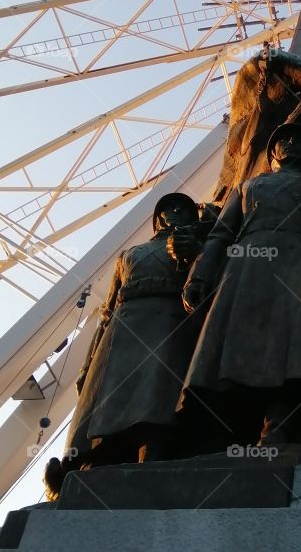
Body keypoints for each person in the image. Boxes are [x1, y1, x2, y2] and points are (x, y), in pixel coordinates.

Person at [179, 125, 301, 451]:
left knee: (292, 356)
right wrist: (199, 275)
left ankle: (277, 427)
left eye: (299, 140)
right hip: (246, 271)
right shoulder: (247, 187)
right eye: (285, 139)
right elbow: (221, 234)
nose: (292, 144)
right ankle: (225, 433)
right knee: (233, 352)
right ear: (272, 155)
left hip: (300, 268)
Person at [44, 193, 206, 497]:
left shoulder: (196, 248)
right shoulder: (129, 254)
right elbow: (106, 312)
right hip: (122, 329)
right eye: (169, 208)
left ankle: (153, 456)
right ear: (158, 219)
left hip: (167, 322)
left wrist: (193, 254)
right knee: (107, 400)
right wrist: (88, 361)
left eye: (183, 209)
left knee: (157, 394)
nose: (176, 212)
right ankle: (93, 463)